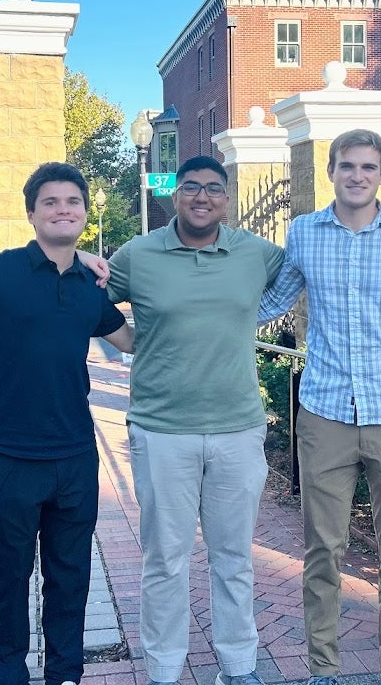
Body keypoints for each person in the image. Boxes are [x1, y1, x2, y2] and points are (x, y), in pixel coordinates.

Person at [258, 129, 381, 685]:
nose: (357, 175)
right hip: (324, 410)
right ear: (331, 170)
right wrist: (192, 306)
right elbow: (271, 301)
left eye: (368, 167)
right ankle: (324, 669)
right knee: (322, 551)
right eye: (347, 166)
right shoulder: (303, 233)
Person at [107, 155, 285, 685]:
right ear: (175, 195)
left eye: (212, 188)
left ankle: (239, 667)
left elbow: (304, 275)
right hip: (161, 430)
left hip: (238, 429)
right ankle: (163, 671)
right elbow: (87, 299)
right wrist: (128, 341)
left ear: (226, 199)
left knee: (234, 558)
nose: (201, 197)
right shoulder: (138, 255)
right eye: (190, 187)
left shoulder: (256, 253)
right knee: (165, 560)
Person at [0, 162, 134, 685]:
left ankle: (65, 673)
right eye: (51, 202)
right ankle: (9, 675)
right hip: (8, 453)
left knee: (70, 575)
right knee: (8, 576)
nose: (63, 210)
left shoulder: (91, 284)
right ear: (31, 213)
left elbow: (130, 340)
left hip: (74, 454)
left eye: (73, 202)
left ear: (85, 213)